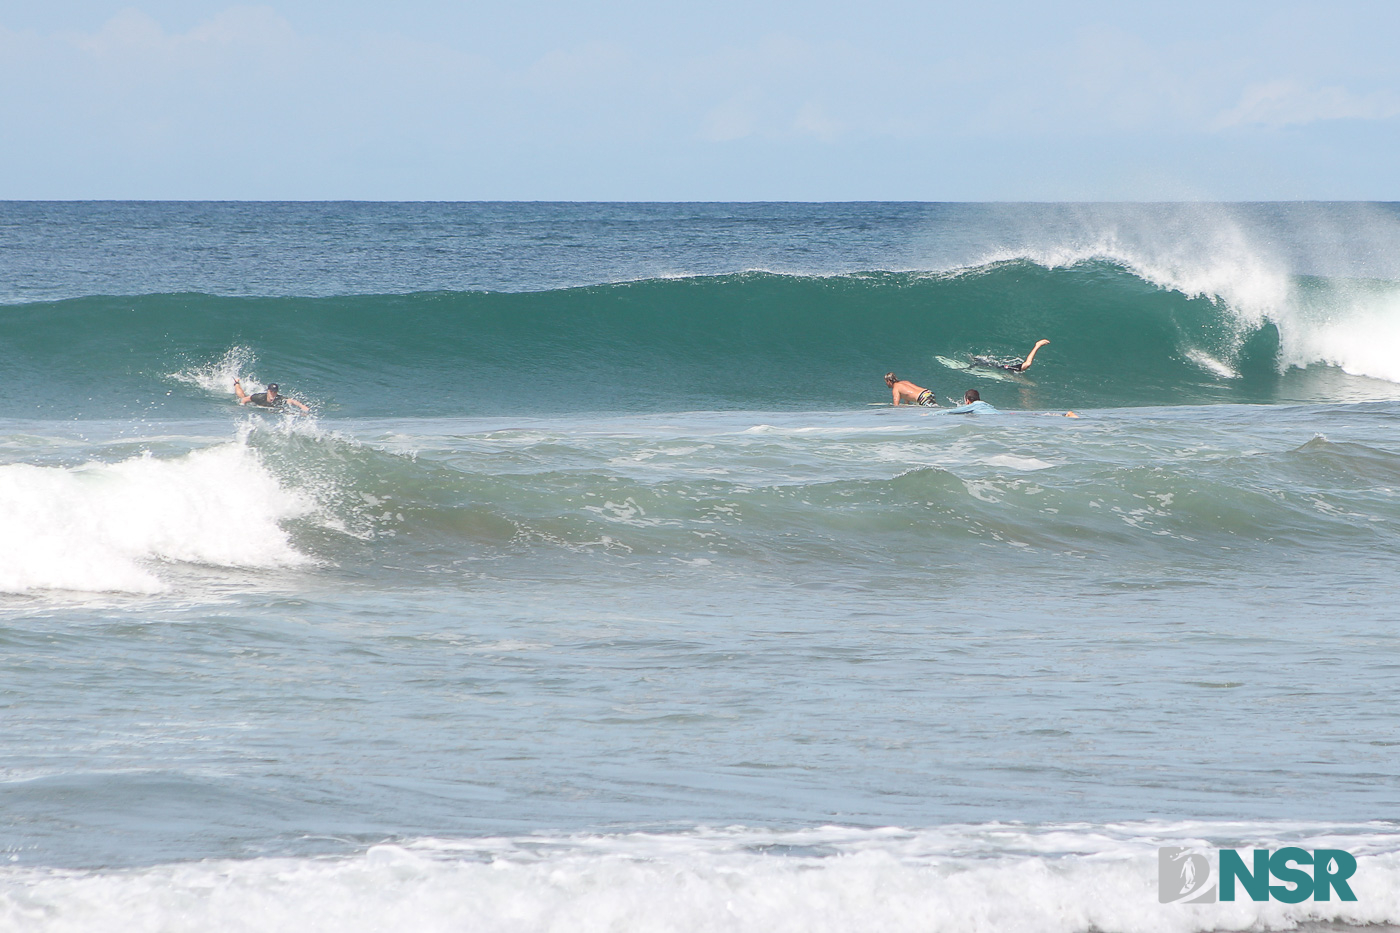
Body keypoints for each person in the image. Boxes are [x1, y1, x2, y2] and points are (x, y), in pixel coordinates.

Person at [971, 338, 1051, 373]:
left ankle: (1037, 345)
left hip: (1001, 368)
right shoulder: (1013, 370)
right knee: (1027, 364)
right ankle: (1037, 345)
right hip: (1002, 368)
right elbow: (1028, 363)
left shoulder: (1011, 370)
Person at [234, 378, 310, 413]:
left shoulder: (279, 399)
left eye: (275, 392)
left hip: (269, 409)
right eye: (271, 391)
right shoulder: (259, 397)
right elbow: (244, 400)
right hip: (256, 405)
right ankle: (236, 383)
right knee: (243, 397)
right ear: (268, 391)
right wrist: (242, 407)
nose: (273, 393)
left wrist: (302, 406)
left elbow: (292, 401)